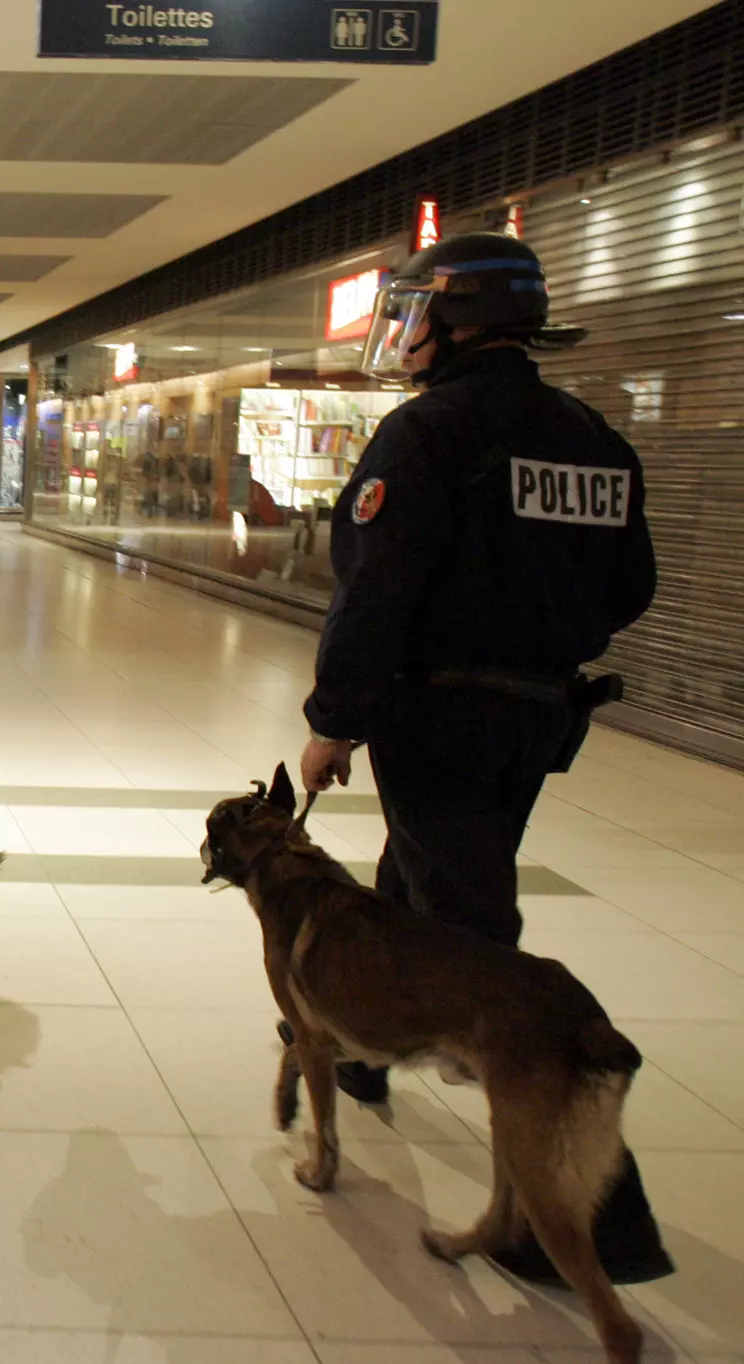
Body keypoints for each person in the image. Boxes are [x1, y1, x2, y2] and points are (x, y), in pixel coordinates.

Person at [299, 231, 670, 1285]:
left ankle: (597, 1221)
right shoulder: (591, 437)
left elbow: (375, 589)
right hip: (536, 716)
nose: (403, 333)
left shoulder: (429, 434)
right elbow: (626, 588)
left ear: (449, 319)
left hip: (440, 712)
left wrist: (336, 718)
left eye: (412, 312)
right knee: (411, 882)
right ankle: (363, 1055)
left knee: (476, 944)